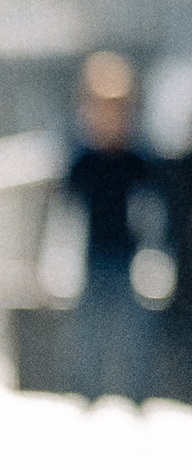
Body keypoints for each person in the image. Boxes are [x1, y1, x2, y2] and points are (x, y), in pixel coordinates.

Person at [61, 51, 169, 406]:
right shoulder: (84, 160)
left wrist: (155, 254)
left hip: (129, 259)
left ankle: (134, 400)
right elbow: (66, 213)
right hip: (91, 259)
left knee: (132, 337)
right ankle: (89, 398)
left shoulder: (138, 159)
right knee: (88, 336)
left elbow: (153, 209)